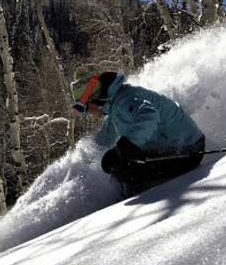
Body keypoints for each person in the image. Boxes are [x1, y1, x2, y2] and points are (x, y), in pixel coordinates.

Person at [71, 71, 206, 196]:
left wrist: (123, 147)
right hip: (175, 147)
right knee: (120, 165)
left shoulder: (126, 100)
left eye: (86, 108)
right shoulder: (115, 107)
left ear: (95, 99)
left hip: (188, 150)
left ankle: (130, 205)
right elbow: (104, 138)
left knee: (125, 171)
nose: (90, 113)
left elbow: (149, 116)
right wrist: (86, 160)